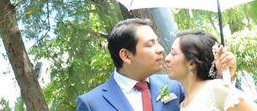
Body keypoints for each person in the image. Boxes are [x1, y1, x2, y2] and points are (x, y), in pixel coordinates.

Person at [77, 19, 236, 111]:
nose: (160, 50)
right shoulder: (91, 103)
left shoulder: (176, 85)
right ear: (126, 55)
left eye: (158, 42)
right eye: (150, 44)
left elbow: (222, 103)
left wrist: (225, 75)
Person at [164, 30, 257, 111]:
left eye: (173, 53)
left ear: (191, 63)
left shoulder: (214, 88)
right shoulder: (182, 106)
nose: (167, 59)